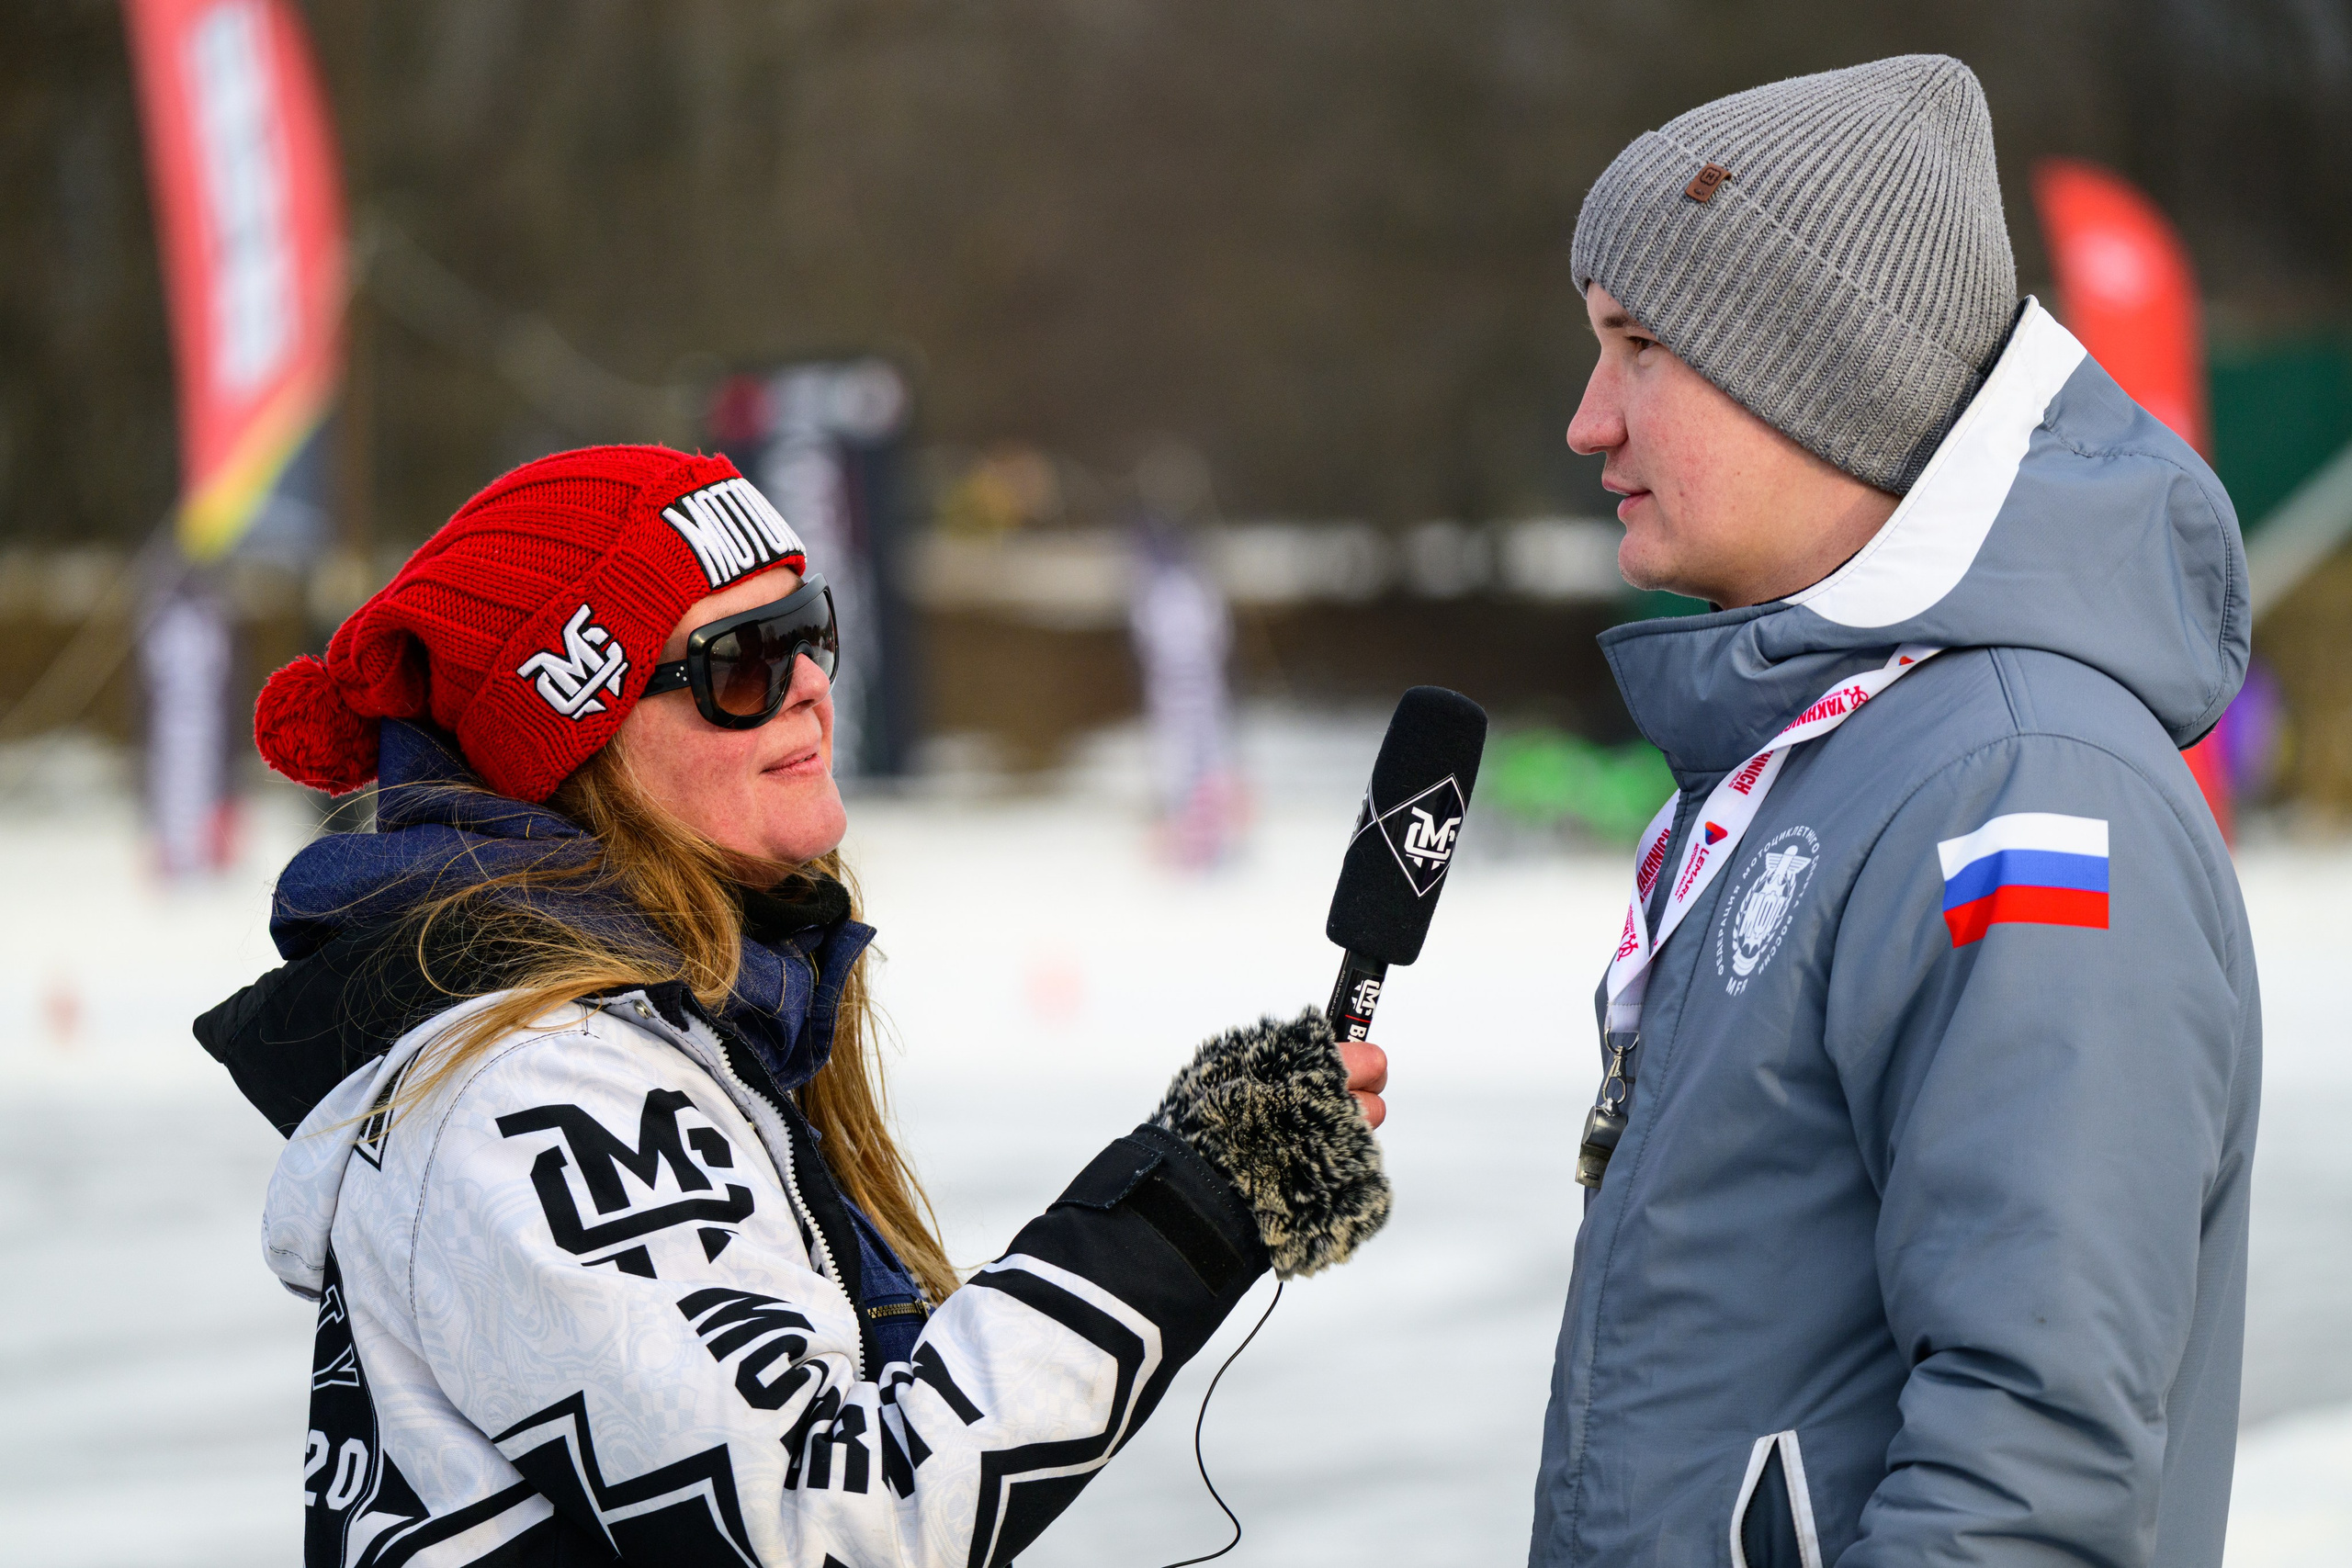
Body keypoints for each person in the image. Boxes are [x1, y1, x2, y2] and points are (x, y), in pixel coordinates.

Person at [194, 445, 1395, 1567]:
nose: (813, 687)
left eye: (812, 631)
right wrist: (1193, 1197)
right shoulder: (535, 1090)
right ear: (580, 732)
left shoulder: (666, 1037)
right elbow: (838, 1513)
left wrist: (1213, 1170)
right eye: (742, 664)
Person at [1532, 56, 2257, 1568]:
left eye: (1640, 345)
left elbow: (2031, 1472)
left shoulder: (2023, 787)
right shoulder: (1848, 755)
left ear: (1817, 374)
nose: (1590, 420)